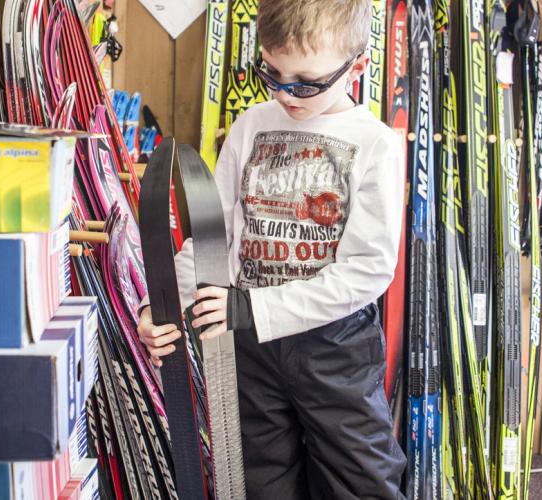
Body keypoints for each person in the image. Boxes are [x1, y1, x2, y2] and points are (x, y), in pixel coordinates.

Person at [137, 0, 407, 498]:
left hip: (334, 349)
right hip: (248, 348)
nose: (286, 93)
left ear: (358, 66)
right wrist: (161, 306)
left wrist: (252, 306)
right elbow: (210, 240)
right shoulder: (249, 126)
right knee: (258, 482)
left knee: (360, 481)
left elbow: (368, 271)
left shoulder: (376, 144)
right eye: (271, 73)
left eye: (305, 82)